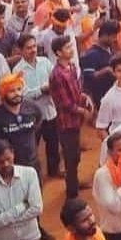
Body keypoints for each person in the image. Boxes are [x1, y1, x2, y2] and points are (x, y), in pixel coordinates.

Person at [49, 34, 93, 200]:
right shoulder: (57, 75)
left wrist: (85, 98)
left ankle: (73, 182)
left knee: (75, 155)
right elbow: (64, 104)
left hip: (75, 120)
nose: (71, 49)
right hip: (66, 122)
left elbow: (76, 90)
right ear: (58, 53)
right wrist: (84, 112)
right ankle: (71, 192)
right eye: (67, 47)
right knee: (71, 156)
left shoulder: (72, 67)